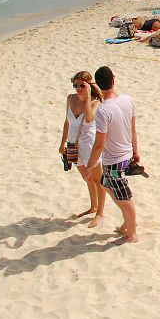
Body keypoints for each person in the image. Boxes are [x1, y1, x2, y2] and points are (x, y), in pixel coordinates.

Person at [86, 66, 139, 244]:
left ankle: (131, 233)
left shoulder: (103, 110)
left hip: (115, 160)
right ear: (113, 80)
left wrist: (90, 166)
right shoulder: (127, 100)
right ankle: (128, 220)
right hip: (124, 156)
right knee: (106, 185)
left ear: (98, 86)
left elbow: (99, 143)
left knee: (125, 197)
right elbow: (133, 129)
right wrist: (136, 151)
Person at [59, 71, 102, 219]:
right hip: (73, 144)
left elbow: (89, 119)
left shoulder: (95, 102)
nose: (78, 88)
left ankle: (100, 212)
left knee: (97, 179)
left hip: (89, 144)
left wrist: (88, 96)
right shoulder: (70, 98)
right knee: (86, 178)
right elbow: (67, 122)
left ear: (89, 85)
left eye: (82, 85)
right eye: (75, 85)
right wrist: (62, 143)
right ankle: (93, 206)